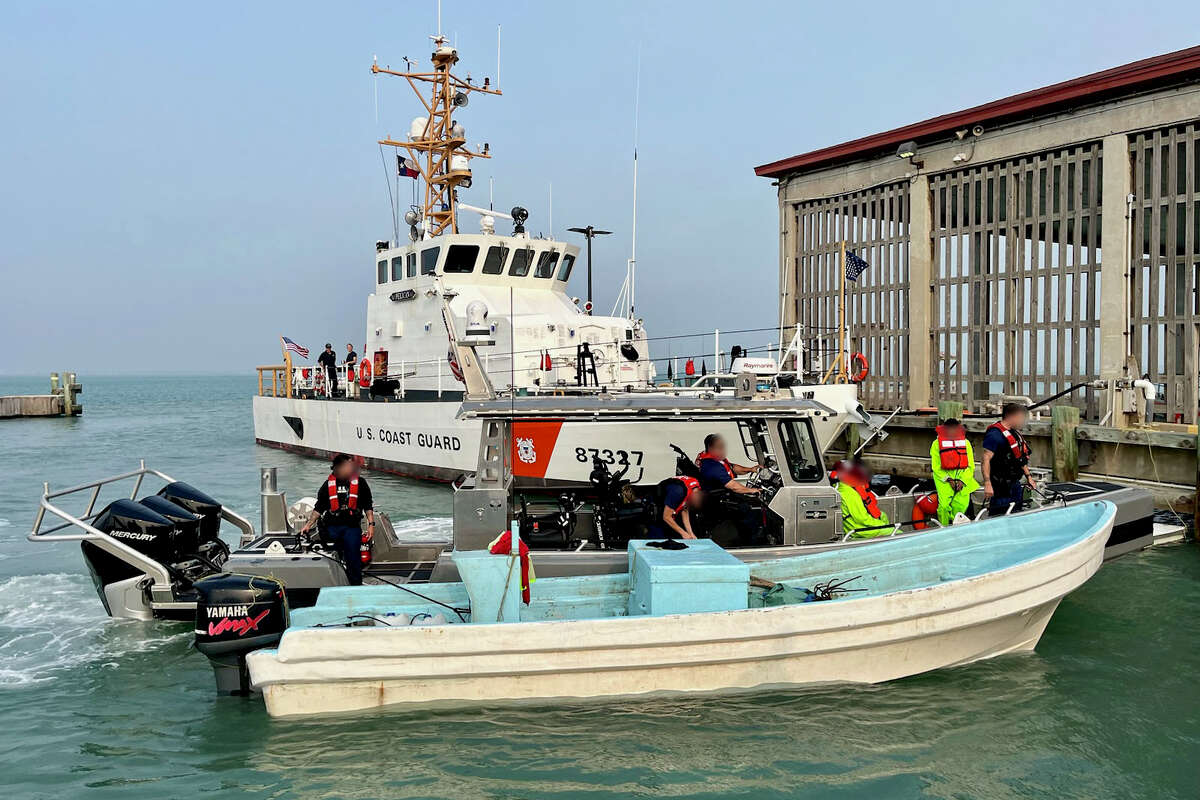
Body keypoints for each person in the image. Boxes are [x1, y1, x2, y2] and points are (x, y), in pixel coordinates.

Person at [299, 453, 375, 585]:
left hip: (351, 527)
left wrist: (371, 525)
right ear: (338, 467)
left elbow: (368, 504)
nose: (351, 468)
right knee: (333, 558)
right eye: (347, 466)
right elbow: (319, 508)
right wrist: (308, 525)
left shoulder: (361, 483)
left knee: (353, 559)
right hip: (332, 528)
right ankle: (337, 584)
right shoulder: (327, 485)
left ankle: (355, 585)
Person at [981, 402, 1035, 515]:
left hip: (1015, 484)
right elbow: (985, 459)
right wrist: (987, 483)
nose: (1022, 421)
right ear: (1011, 417)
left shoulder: (1015, 434)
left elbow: (1020, 457)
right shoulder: (994, 435)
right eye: (1020, 418)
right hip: (1000, 487)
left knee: (1017, 514)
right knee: (999, 516)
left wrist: (1029, 477)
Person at [929, 417, 980, 525]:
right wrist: (949, 480)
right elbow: (936, 467)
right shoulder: (936, 444)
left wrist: (962, 481)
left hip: (963, 479)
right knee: (943, 506)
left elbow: (970, 466)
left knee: (961, 505)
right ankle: (944, 527)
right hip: (945, 480)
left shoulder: (966, 443)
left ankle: (957, 527)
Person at [830, 459, 891, 538]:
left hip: (859, 526)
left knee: (883, 516)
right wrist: (883, 525)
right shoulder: (849, 494)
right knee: (898, 532)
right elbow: (862, 519)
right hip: (859, 530)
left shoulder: (842, 487)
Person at [696, 434, 761, 495]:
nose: (723, 450)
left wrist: (750, 469)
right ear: (710, 448)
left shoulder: (714, 458)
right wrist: (751, 490)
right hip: (716, 498)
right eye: (719, 448)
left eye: (723, 447)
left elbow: (732, 467)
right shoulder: (711, 465)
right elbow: (733, 486)